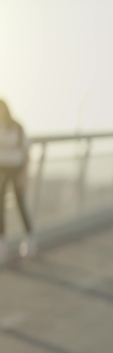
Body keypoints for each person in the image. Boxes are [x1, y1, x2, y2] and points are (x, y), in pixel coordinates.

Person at [0, 99, 36, 264]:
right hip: (1, 170)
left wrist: (24, 174)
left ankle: (29, 238)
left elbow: (26, 152)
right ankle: (2, 243)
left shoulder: (17, 127)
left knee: (20, 204)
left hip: (16, 169)